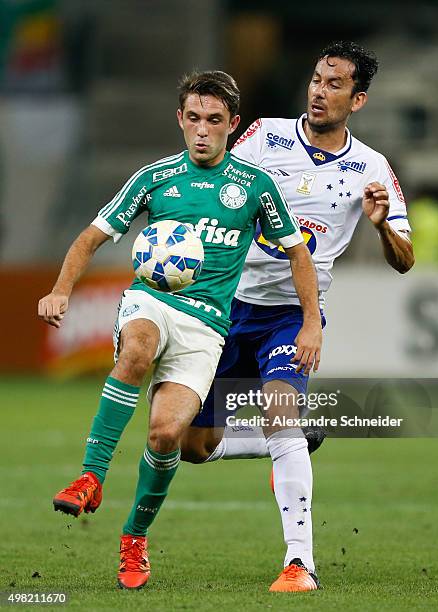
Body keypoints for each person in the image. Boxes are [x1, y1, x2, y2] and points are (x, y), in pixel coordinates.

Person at [38, 70, 322, 590]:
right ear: (180, 119)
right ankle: (91, 476)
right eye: (193, 118)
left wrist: (310, 321)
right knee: (136, 350)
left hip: (208, 326)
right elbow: (91, 237)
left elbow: (298, 253)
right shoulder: (154, 177)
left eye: (214, 120)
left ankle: (134, 536)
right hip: (151, 299)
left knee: (170, 435)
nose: (202, 130)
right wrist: (61, 290)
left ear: (233, 125)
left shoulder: (255, 188)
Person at [180, 41, 415, 592]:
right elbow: (215, 188)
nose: (318, 90)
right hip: (227, 304)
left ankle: (299, 563)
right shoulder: (264, 136)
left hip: (292, 314)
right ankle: (282, 439)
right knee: (189, 446)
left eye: (335, 85)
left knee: (280, 407)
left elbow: (405, 259)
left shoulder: (373, 167)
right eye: (316, 79)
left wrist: (381, 225)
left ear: (357, 100)